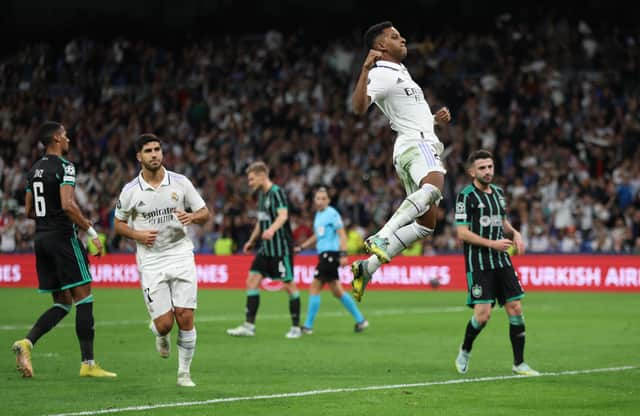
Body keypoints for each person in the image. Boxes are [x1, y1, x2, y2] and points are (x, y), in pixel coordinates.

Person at [350, 21, 452, 301]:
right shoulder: (381, 72)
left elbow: (405, 114)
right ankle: (381, 236)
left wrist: (433, 121)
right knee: (435, 185)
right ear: (381, 46)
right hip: (416, 144)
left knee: (425, 225)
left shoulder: (400, 71)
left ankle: (366, 268)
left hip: (415, 143)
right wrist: (365, 69)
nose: (403, 39)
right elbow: (359, 108)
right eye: (395, 37)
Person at [11, 121, 116, 378]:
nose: (68, 140)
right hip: (62, 238)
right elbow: (68, 205)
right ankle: (88, 364)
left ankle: (27, 343)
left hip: (42, 239)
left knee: (62, 302)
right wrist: (90, 232)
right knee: (84, 296)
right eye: (66, 136)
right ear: (57, 138)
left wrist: (48, 217)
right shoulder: (65, 166)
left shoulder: (34, 169)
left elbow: (28, 210)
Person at [114, 133, 210, 387]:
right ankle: (159, 333)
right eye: (148, 150)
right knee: (165, 324)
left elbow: (204, 212)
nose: (154, 154)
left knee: (186, 315)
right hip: (151, 260)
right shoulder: (130, 191)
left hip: (180, 254)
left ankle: (184, 374)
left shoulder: (180, 183)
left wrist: (193, 217)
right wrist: (137, 234)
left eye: (157, 149)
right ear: (139, 157)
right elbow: (118, 224)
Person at [453, 149, 539, 376]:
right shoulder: (466, 196)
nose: (488, 171)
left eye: (490, 167)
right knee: (483, 315)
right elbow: (462, 233)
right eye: (482, 168)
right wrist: (491, 244)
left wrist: (516, 234)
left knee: (515, 307)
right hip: (478, 262)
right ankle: (465, 349)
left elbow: (503, 225)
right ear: (472, 171)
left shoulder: (499, 193)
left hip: (502, 259)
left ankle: (519, 363)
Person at [226, 161, 302, 339]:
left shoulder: (277, 193)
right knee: (251, 281)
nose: (250, 183)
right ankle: (248, 326)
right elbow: (261, 221)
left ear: (262, 176)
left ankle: (296, 328)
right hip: (265, 249)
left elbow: (283, 216)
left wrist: (272, 230)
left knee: (289, 286)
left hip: (281, 249)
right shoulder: (261, 196)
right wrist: (251, 241)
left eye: (252, 179)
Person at [295, 187, 369, 334]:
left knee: (315, 287)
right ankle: (361, 320)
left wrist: (343, 254)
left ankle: (308, 326)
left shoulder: (332, 213)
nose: (320, 201)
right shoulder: (318, 215)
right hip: (324, 255)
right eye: (318, 198)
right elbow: (317, 236)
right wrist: (302, 247)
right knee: (337, 291)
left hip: (330, 255)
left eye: (323, 198)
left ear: (328, 200)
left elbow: (341, 234)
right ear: (314, 201)